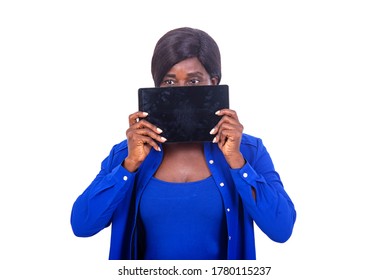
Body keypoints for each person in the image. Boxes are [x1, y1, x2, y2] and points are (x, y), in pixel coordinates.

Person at [70, 27, 297, 260]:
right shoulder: (127, 153)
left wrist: (237, 163)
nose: (180, 92)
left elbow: (281, 229)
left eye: (194, 81)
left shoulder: (248, 150)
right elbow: (82, 225)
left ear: (214, 83)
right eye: (169, 82)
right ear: (156, 88)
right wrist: (129, 166)